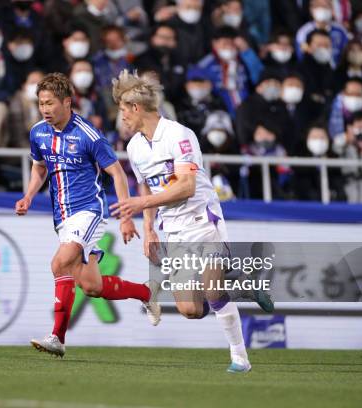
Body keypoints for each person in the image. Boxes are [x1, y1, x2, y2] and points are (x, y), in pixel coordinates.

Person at [110, 70, 273, 373]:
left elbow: (186, 186)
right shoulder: (134, 147)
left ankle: (240, 357)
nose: (121, 118)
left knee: (212, 290)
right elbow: (145, 185)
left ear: (136, 108)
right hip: (172, 228)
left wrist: (140, 204)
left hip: (201, 217)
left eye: (122, 111)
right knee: (190, 310)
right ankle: (241, 284)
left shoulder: (179, 135)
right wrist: (148, 229)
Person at [14, 72, 155, 357]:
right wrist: (29, 195)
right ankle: (147, 293)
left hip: (89, 211)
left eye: (50, 103)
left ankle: (57, 337)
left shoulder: (88, 134)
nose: (45, 109)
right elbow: (39, 166)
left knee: (59, 264)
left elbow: (116, 173)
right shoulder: (38, 132)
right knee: (91, 286)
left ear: (67, 102)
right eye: (41, 103)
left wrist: (126, 216)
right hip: (62, 217)